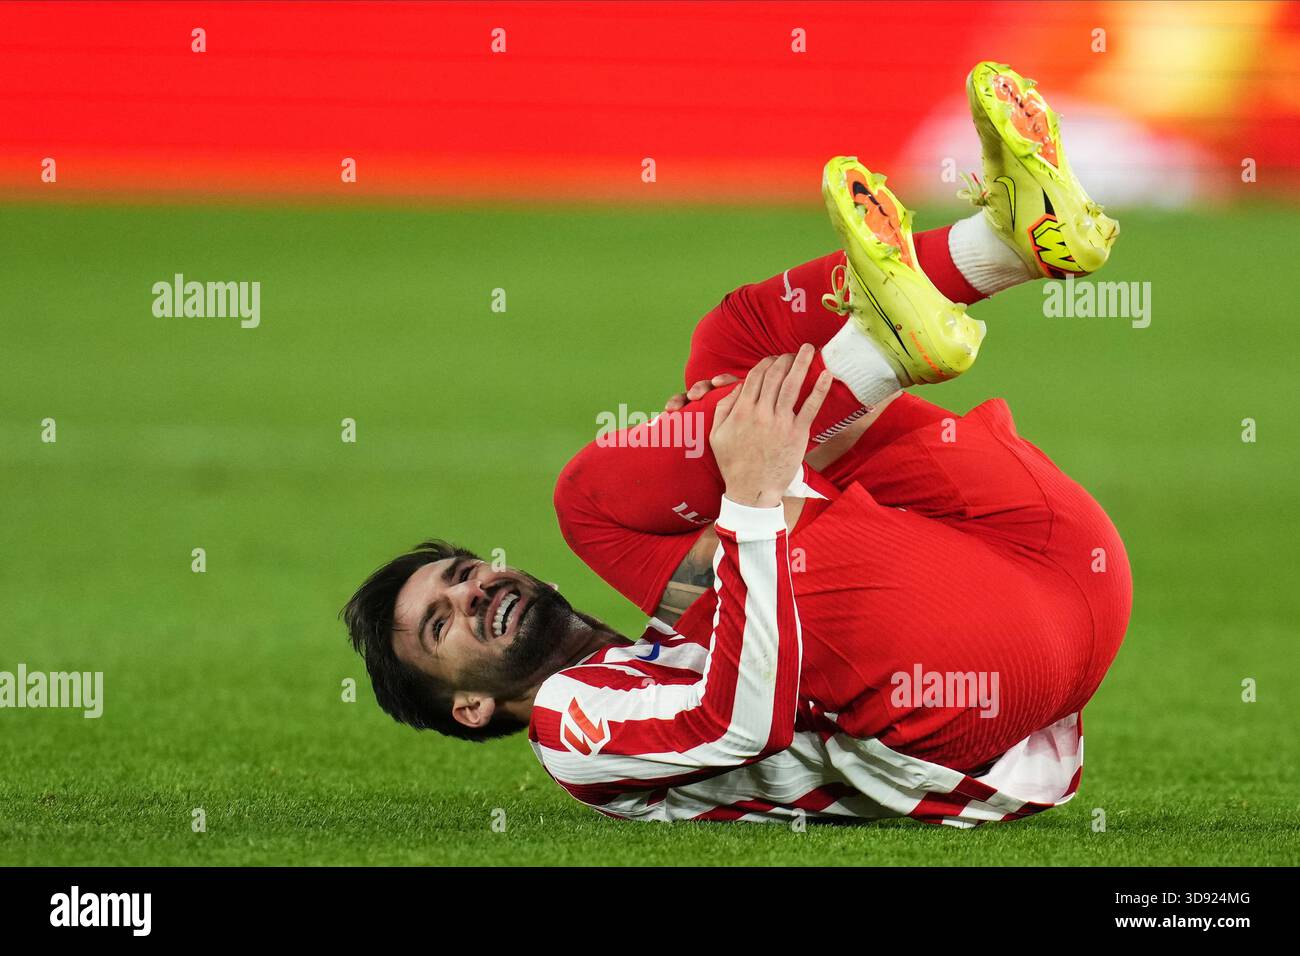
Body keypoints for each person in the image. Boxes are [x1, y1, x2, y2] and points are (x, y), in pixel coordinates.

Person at [343, 62, 1131, 826]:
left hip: (1061, 585)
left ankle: (1004, 245)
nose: (473, 592)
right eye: (441, 622)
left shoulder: (673, 624)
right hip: (978, 676)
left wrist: (738, 441)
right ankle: (888, 345)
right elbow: (738, 728)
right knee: (592, 499)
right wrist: (751, 497)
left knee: (731, 344)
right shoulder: (570, 730)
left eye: (463, 572)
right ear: (470, 708)